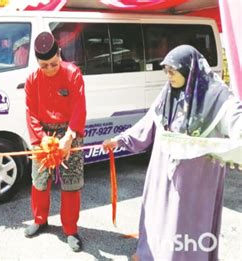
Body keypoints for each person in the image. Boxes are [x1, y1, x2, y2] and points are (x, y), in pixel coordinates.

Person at [103, 45, 242, 261]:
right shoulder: (168, 92)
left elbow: (235, 117)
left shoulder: (216, 96)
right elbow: (149, 122)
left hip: (194, 181)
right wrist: (120, 140)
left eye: (172, 71)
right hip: (162, 175)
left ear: (189, 69)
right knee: (158, 216)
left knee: (185, 223)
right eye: (166, 71)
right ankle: (149, 253)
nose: (168, 76)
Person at [24, 31, 87, 252]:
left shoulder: (73, 74)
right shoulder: (32, 79)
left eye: (53, 63)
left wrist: (69, 137)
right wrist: (42, 139)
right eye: (44, 66)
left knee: (71, 181)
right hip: (43, 134)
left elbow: (79, 106)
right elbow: (31, 113)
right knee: (39, 179)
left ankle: (70, 228)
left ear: (59, 54)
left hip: (69, 131)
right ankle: (40, 219)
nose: (49, 69)